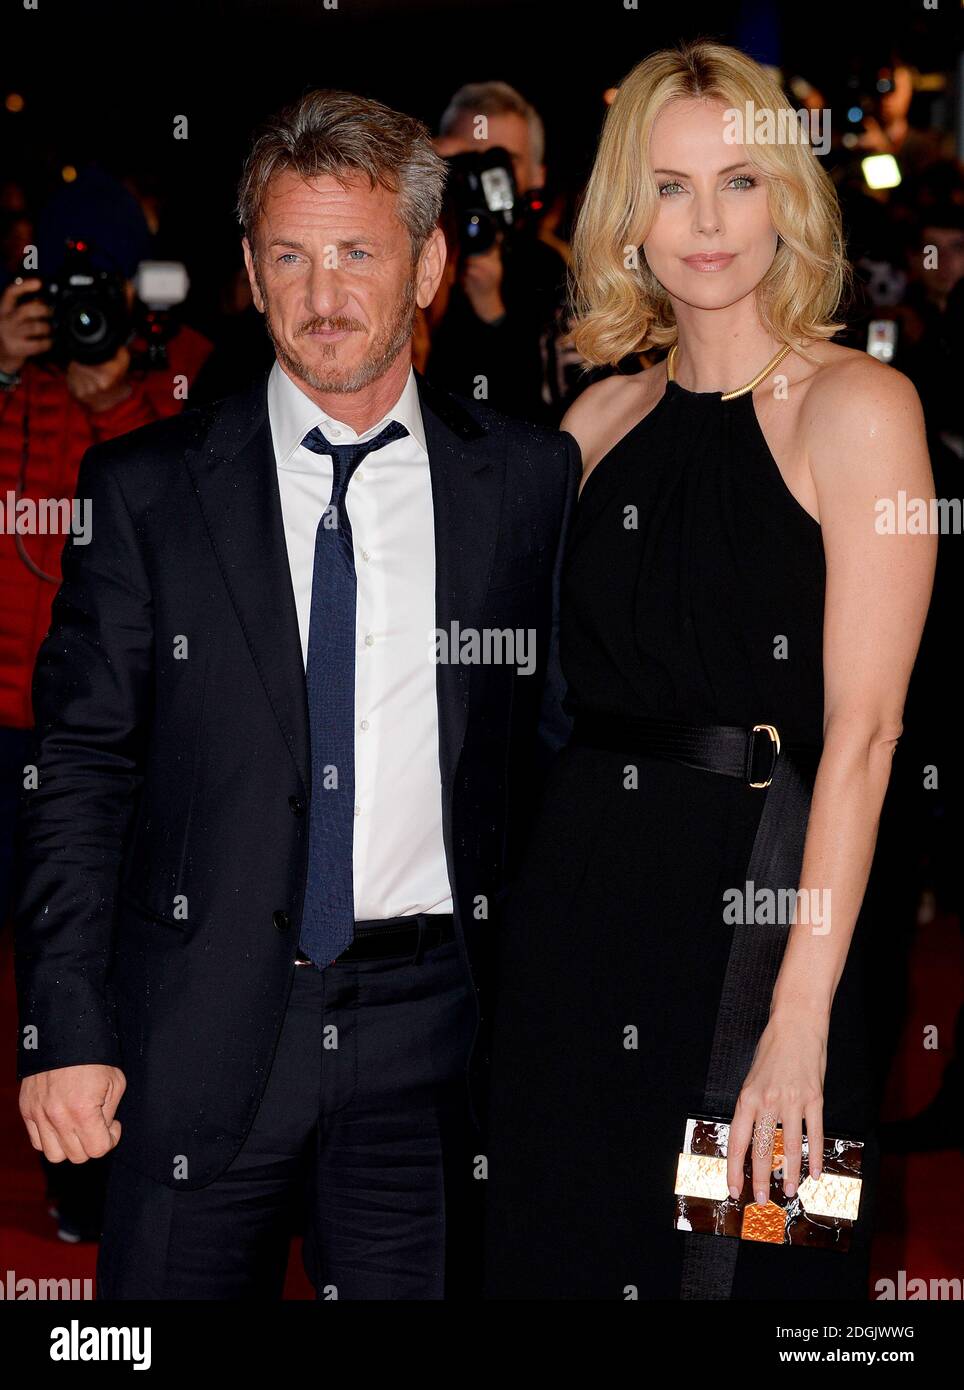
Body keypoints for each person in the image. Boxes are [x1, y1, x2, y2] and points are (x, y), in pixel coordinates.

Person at [14, 89, 578, 1300]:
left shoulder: (528, 483)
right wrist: (66, 1030)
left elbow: (554, 760)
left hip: (432, 1036)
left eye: (358, 254)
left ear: (427, 264)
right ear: (251, 277)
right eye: (291, 257)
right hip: (193, 1024)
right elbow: (79, 772)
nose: (324, 296)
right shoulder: (148, 491)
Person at [483, 41, 936, 1300]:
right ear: (626, 212)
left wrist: (803, 1017)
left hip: (768, 912)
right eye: (670, 186)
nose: (705, 223)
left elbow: (866, 736)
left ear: (786, 198)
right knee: (563, 1245)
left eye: (738, 181)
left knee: (758, 1276)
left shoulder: (858, 409)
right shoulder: (595, 422)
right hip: (577, 909)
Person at [0, 167, 210, 1245]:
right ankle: (61, 1166)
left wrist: (142, 375)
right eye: (65, 286)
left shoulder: (183, 389)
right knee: (39, 967)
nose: (84, 310)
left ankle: (117, 1180)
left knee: (130, 965)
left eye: (107, 286)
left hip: (141, 738)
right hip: (11, 737)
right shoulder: (10, 390)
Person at [427, 81, 568, 424]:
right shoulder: (414, 253)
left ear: (537, 175)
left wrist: (494, 314)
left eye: (502, 162)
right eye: (468, 161)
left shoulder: (553, 272)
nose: (484, 178)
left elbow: (548, 414)